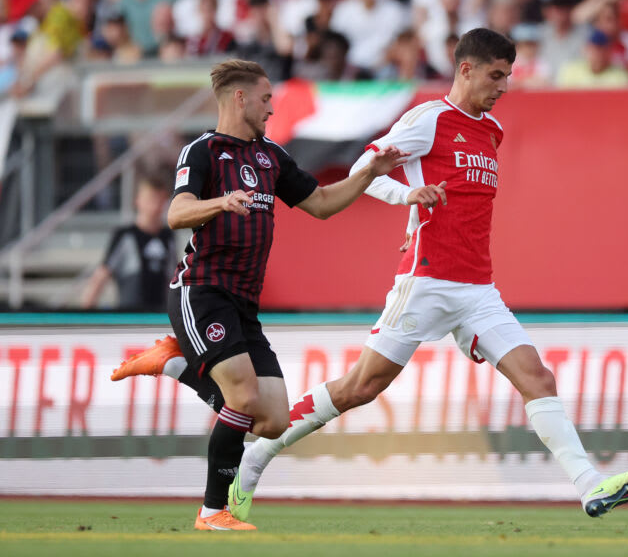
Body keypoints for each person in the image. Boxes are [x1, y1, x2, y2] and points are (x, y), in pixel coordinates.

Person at [113, 29, 628, 524]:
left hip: (478, 289)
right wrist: (408, 197)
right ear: (465, 69)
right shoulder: (427, 119)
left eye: (509, 76)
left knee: (537, 377)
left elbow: (357, 201)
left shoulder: (491, 131)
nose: (504, 87)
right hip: (424, 281)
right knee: (359, 388)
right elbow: (364, 172)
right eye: (496, 74)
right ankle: (256, 456)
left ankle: (590, 486)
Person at [114, 58, 409, 531]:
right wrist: (221, 202)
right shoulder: (203, 151)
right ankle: (213, 511)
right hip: (201, 291)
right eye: (267, 98)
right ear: (240, 98)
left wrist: (370, 173)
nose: (272, 108)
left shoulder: (272, 156)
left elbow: (323, 204)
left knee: (271, 421)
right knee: (245, 396)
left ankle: (175, 364)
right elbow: (176, 213)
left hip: (244, 304)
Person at [81, 176, 175, 310]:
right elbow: (101, 276)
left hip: (158, 318)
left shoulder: (168, 236)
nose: (155, 205)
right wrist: (86, 314)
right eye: (151, 199)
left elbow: (172, 278)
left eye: (160, 200)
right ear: (138, 201)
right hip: (130, 318)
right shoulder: (125, 235)